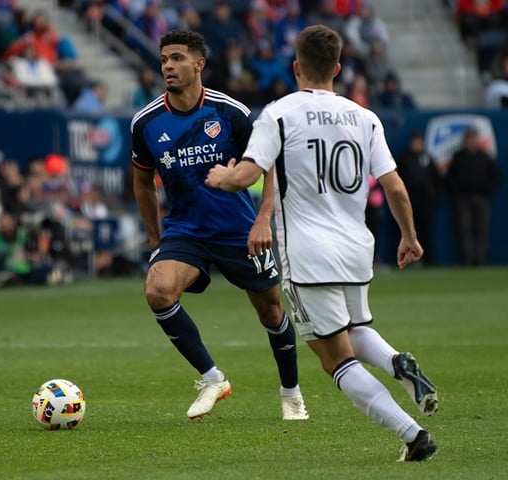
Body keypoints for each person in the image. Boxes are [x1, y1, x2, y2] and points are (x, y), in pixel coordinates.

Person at [205, 25, 438, 461]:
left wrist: (221, 177)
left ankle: (412, 436)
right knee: (354, 330)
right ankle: (396, 364)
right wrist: (409, 236)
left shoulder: (278, 113)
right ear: (337, 68)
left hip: (309, 254)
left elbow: (249, 174)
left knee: (334, 358)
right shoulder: (364, 116)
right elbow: (396, 188)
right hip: (356, 248)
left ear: (296, 67)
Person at [131, 29, 308, 421]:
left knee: (271, 312)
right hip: (185, 230)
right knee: (158, 291)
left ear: (199, 64)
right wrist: (156, 239)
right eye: (164, 60)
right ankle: (213, 378)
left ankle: (291, 394)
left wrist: (264, 220)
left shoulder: (232, 114)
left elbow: (270, 164)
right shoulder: (146, 123)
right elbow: (142, 181)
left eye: (177, 58)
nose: (168, 67)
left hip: (239, 231)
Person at [445, 127, 501, 266]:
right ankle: (468, 260)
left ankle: (480, 260)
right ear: (465, 141)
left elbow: (495, 176)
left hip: (481, 197)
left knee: (481, 229)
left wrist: (487, 190)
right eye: (469, 139)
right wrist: (457, 191)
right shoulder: (459, 157)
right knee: (465, 229)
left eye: (474, 138)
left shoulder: (484, 156)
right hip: (463, 199)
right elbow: (450, 178)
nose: (471, 141)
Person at [397, 133, 440, 265]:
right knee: (409, 230)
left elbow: (437, 178)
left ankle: (428, 259)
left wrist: (433, 191)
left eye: (419, 142)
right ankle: (410, 259)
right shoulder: (404, 159)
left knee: (426, 230)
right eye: (415, 142)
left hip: (425, 201)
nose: (417, 145)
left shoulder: (428, 158)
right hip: (409, 200)